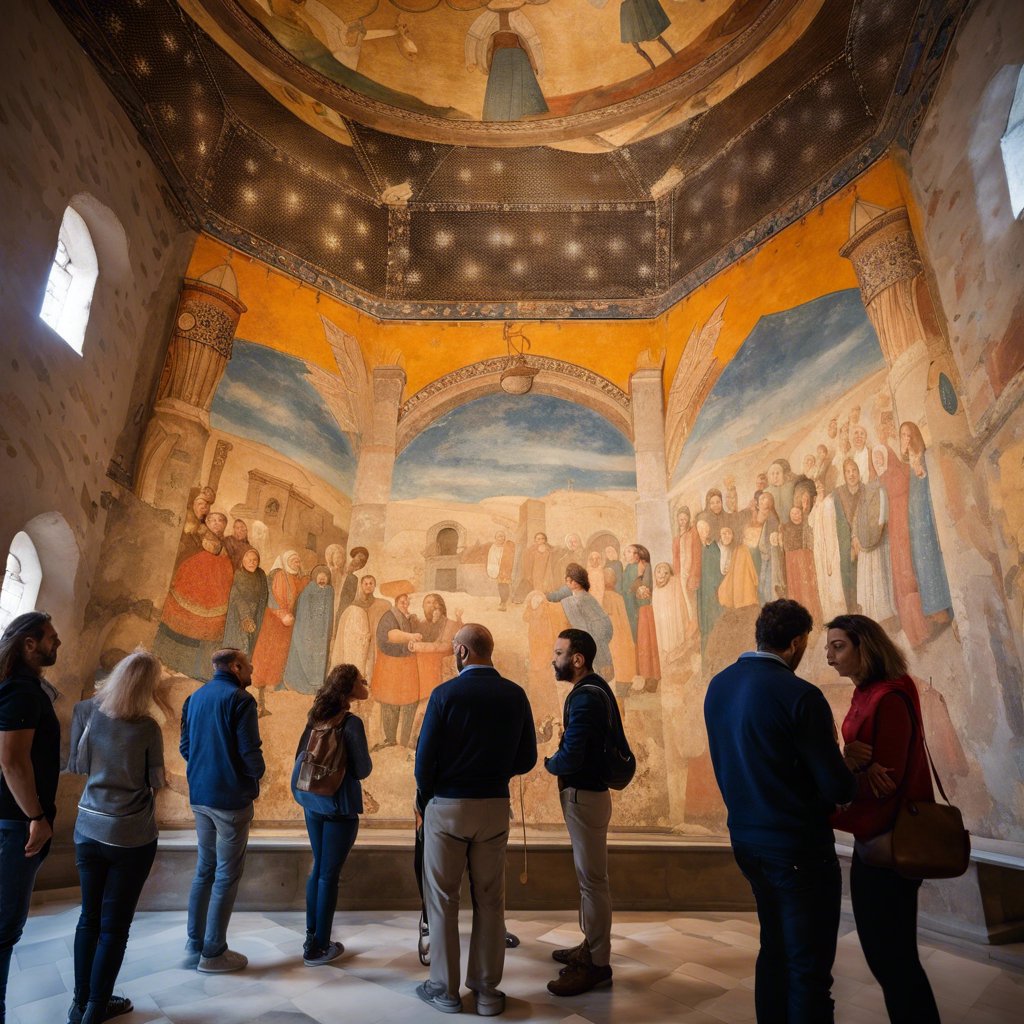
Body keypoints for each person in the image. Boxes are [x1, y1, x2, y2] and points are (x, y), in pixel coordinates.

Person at [704, 599, 856, 1024]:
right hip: (797, 847)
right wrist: (851, 765)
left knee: (773, 951)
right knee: (808, 970)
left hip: (747, 841)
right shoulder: (800, 695)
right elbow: (836, 785)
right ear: (795, 642)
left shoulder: (719, 684)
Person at [414, 624, 536, 1016]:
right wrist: (495, 773)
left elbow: (424, 761)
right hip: (494, 807)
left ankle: (444, 990)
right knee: (490, 900)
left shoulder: (445, 694)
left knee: (443, 899)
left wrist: (426, 797)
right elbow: (527, 758)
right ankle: (485, 992)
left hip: (448, 806)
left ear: (462, 652)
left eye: (455, 650)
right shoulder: (515, 695)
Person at [825, 614, 941, 1024]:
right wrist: (851, 761)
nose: (829, 657)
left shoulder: (889, 696)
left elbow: (884, 784)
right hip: (874, 841)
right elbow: (863, 762)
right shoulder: (868, 691)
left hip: (888, 841)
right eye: (828, 647)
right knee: (887, 957)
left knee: (893, 959)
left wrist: (839, 787)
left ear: (865, 647)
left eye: (838, 646)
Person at [65, 649, 166, 1024]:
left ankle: (79, 1004)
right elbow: (156, 782)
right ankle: (96, 1009)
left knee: (88, 917)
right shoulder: (147, 728)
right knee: (114, 926)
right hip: (130, 835)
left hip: (88, 826)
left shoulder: (88, 713)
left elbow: (79, 766)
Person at [543, 629, 621, 997]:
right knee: (590, 879)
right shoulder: (594, 689)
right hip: (588, 795)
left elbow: (573, 754)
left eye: (559, 653)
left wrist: (549, 762)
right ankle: (589, 945)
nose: (553, 659)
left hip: (585, 795)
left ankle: (597, 963)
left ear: (577, 659)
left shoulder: (587, 697)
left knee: (593, 881)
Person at [180, 647, 265, 973]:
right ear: (235, 666)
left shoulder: (195, 698)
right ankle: (213, 953)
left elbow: (185, 747)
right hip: (230, 799)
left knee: (205, 869)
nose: (252, 673)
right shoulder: (241, 701)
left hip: (200, 796)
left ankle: (195, 943)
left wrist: (207, 768)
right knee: (227, 875)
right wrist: (256, 772)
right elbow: (249, 751)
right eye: (249, 667)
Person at [0, 612, 61, 1024]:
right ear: (28, 644)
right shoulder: (21, 692)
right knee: (5, 927)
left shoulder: (22, 688)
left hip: (14, 821)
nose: (58, 645)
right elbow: (12, 761)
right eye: (51, 639)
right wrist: (36, 816)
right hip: (16, 824)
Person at [291, 664, 372, 966]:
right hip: (341, 805)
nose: (366, 684)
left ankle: (312, 935)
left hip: (313, 804)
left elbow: (301, 756)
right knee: (328, 875)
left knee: (318, 869)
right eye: (362, 681)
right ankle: (319, 948)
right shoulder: (351, 723)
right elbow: (363, 770)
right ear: (351, 688)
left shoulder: (316, 716)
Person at [545, 563, 614, 683]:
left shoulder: (583, 599)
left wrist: (595, 641)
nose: (568, 581)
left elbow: (603, 624)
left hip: (595, 644)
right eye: (567, 579)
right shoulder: (574, 597)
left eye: (571, 579)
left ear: (578, 581)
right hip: (589, 643)